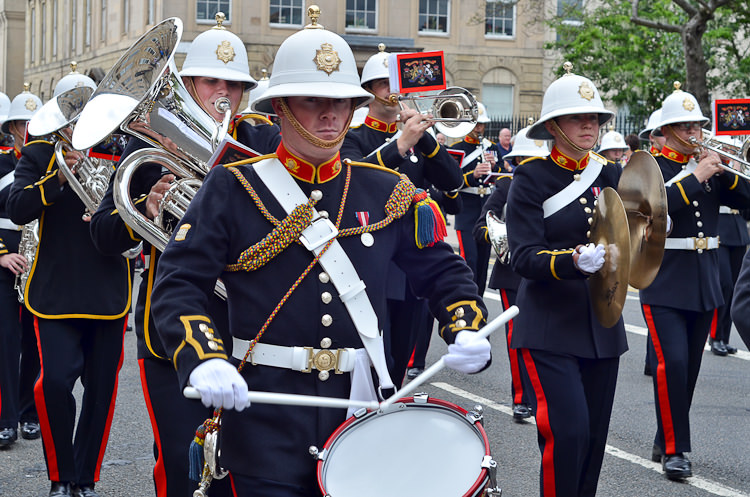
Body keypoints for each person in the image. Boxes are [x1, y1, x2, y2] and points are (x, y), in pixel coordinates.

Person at [149, 8, 491, 496]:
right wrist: (204, 356)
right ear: (282, 107)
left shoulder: (385, 189)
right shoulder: (233, 186)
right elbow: (179, 284)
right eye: (314, 101)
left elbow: (444, 272)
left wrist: (466, 324)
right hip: (262, 418)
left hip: (358, 415)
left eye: (341, 102)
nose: (331, 115)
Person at [89, 15, 281, 497]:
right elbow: (104, 234)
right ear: (187, 83)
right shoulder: (148, 144)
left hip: (256, 323)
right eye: (211, 81)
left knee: (251, 462)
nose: (222, 92)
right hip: (174, 328)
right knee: (183, 462)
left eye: (233, 85)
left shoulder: (263, 143)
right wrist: (147, 207)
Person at [7, 68, 133, 497]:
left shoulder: (117, 147)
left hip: (107, 287)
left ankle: (85, 478)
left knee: (100, 391)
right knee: (55, 383)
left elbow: (130, 210)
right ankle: (61, 476)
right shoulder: (40, 152)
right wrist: (57, 179)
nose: (78, 120)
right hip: (55, 289)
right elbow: (18, 206)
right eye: (71, 111)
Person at [505, 63, 627, 497]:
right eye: (579, 117)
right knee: (568, 433)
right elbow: (523, 255)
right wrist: (572, 261)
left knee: (593, 441)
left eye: (594, 118)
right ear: (554, 126)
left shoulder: (610, 174)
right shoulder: (531, 178)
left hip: (602, 323)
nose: (589, 125)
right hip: (551, 326)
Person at [638, 82, 750, 481]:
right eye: (683, 127)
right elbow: (653, 219)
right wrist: (694, 175)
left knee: (691, 369)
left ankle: (663, 436)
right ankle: (675, 449)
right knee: (673, 364)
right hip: (664, 279)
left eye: (696, 126)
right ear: (665, 131)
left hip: (705, 279)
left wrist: (726, 170)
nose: (693, 134)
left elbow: (747, 201)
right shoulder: (650, 166)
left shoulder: (711, 164)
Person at [340, 42, 463, 385]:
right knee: (375, 355)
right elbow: (354, 180)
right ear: (368, 92)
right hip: (372, 259)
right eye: (383, 85)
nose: (393, 92)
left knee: (402, 355)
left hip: (410, 262)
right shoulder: (355, 137)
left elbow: (454, 184)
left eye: (397, 85)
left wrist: (424, 139)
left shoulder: (417, 139)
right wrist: (401, 144)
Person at [473, 124, 549, 423]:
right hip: (512, 272)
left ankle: (543, 394)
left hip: (546, 269)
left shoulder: (556, 184)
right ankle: (521, 398)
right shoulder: (505, 187)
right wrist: (503, 238)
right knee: (518, 337)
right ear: (514, 162)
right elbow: (482, 227)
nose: (528, 167)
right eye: (524, 161)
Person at [0, 85, 42, 449]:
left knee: (34, 341)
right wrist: (0, 252)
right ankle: (6, 418)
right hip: (3, 259)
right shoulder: (0, 161)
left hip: (38, 258)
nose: (27, 128)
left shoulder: (46, 158)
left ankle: (30, 414)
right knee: (5, 341)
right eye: (21, 123)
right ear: (11, 126)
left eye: (33, 121)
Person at [451, 103, 500, 296]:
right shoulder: (457, 149)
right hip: (467, 211)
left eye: (481, 124)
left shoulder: (491, 147)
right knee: (469, 261)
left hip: (485, 211)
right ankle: (467, 299)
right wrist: (472, 175)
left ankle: (478, 302)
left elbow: (497, 180)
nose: (479, 128)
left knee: (482, 262)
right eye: (475, 124)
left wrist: (494, 168)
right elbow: (451, 183)